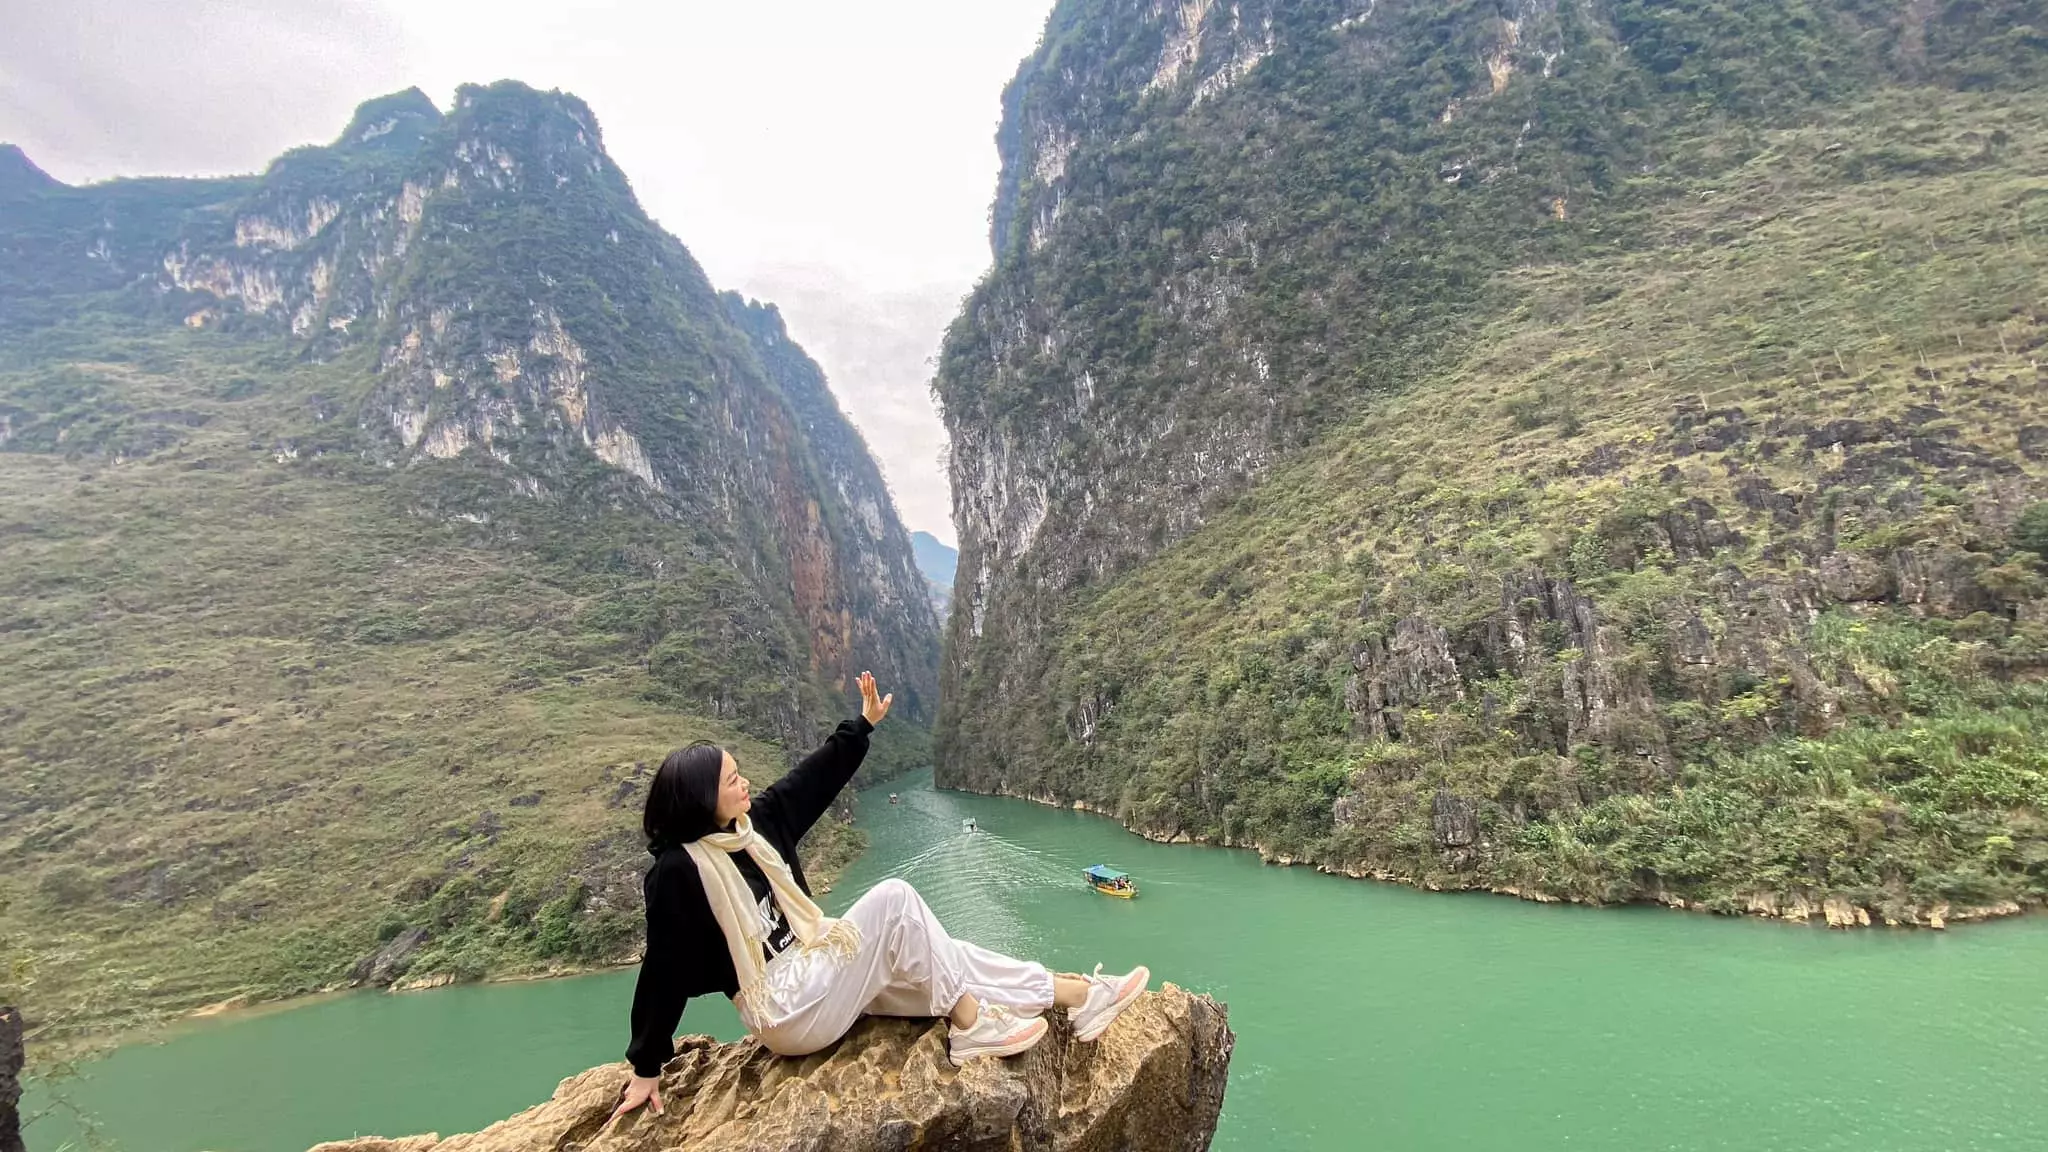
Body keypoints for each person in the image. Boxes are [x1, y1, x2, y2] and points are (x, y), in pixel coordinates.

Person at [612, 671, 1151, 1120]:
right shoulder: (680, 871)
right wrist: (646, 1066)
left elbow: (812, 778)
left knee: (945, 955)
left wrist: (863, 724)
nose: (745, 782)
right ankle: (971, 1026)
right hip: (783, 1010)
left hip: (822, 972)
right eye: (732, 779)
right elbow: (664, 969)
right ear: (702, 798)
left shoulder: (756, 830)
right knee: (894, 899)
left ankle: (1079, 997)